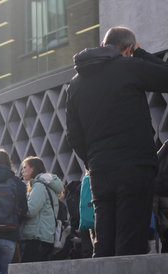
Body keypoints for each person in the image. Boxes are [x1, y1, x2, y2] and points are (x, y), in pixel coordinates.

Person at [66, 26, 168, 257]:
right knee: (130, 240)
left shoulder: (76, 83)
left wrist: (91, 160)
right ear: (129, 49)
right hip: (135, 166)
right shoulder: (129, 66)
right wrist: (141, 54)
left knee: (104, 240)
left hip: (100, 169)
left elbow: (73, 133)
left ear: (103, 46)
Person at [19, 156, 63, 262]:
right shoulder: (46, 186)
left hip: (36, 237)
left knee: (29, 272)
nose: (22, 171)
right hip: (45, 237)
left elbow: (30, 210)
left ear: (33, 169)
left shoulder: (38, 186)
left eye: (25, 167)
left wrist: (18, 208)